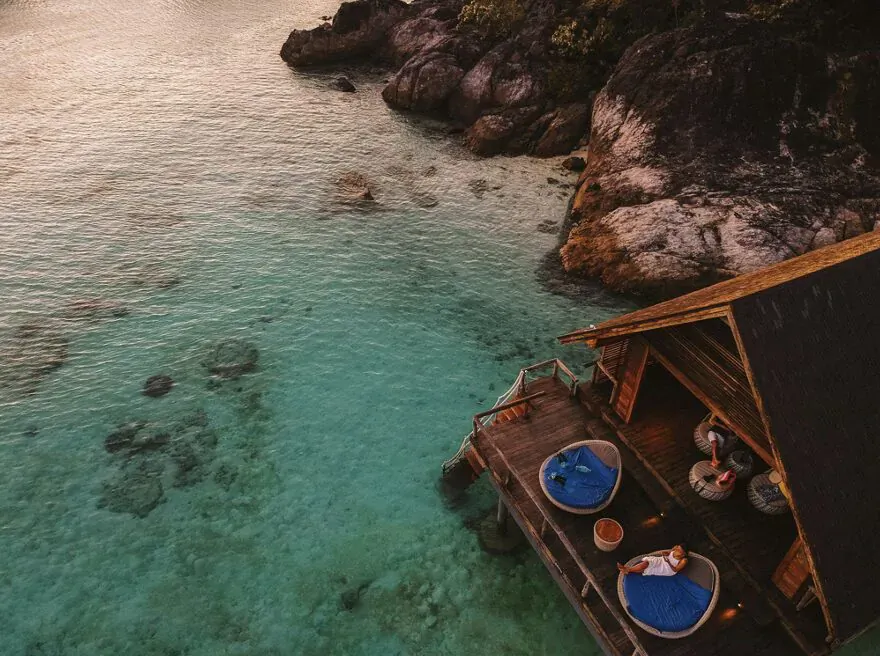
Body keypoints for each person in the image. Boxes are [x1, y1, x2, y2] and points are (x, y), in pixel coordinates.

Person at [617, 544, 689, 577]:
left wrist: (668, 562)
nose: (676, 550)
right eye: (677, 548)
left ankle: (627, 570)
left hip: (669, 569)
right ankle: (627, 570)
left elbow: (675, 570)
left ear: (683, 554)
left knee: (648, 569)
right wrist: (665, 553)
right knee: (647, 563)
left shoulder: (684, 560)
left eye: (679, 550)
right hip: (663, 560)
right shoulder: (675, 548)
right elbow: (669, 553)